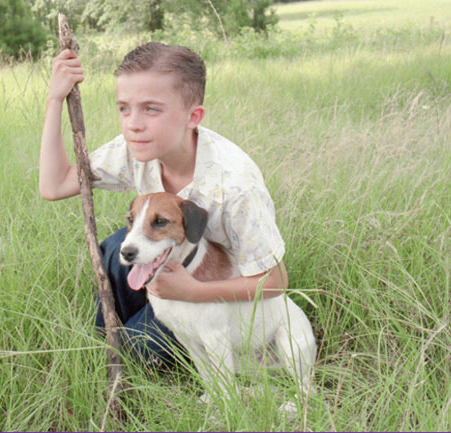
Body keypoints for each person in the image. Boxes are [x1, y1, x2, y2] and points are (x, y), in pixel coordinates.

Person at [39, 42, 288, 367]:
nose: (133, 123)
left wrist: (190, 292)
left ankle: (139, 350)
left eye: (151, 109)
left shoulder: (235, 185)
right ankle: (109, 339)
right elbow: (54, 185)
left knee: (131, 352)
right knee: (117, 247)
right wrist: (55, 98)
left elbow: (275, 282)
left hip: (220, 300)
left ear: (192, 116)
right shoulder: (133, 148)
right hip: (172, 270)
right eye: (124, 108)